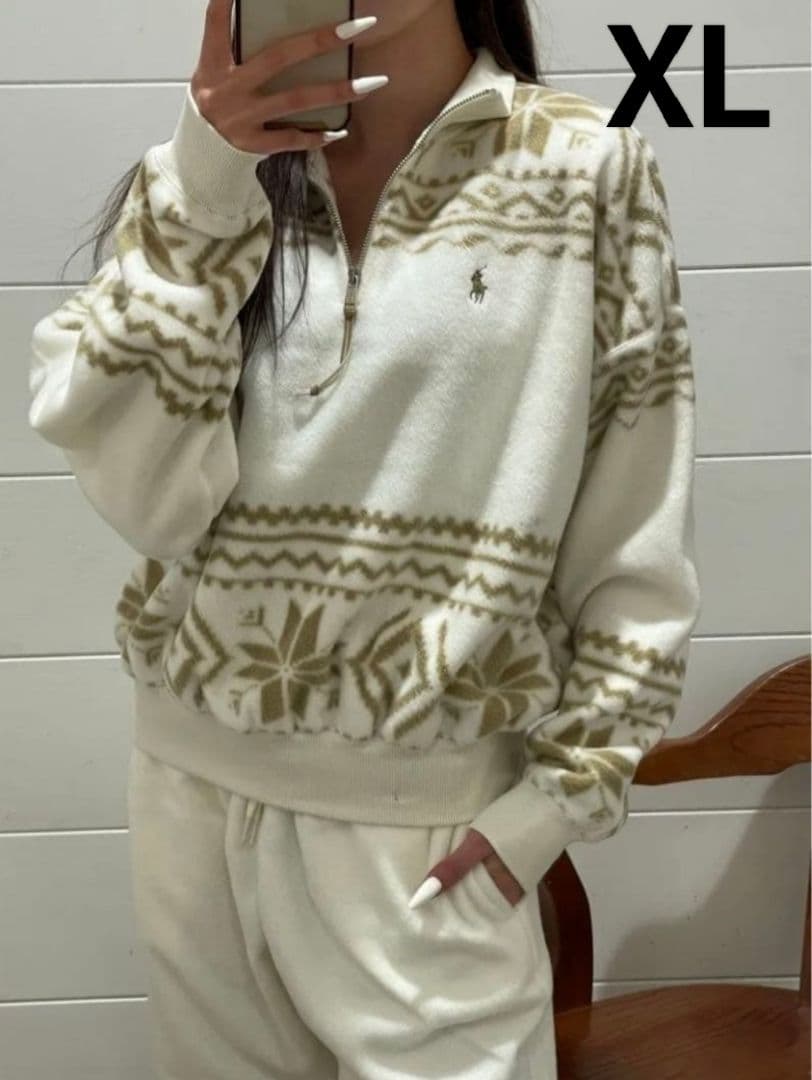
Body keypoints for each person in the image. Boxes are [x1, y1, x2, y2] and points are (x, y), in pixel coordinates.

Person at [27, 0, 701, 1076]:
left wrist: (550, 808)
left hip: (426, 830)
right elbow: (144, 499)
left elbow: (635, 526)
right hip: (191, 801)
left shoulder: (585, 171)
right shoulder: (209, 176)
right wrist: (206, 174)